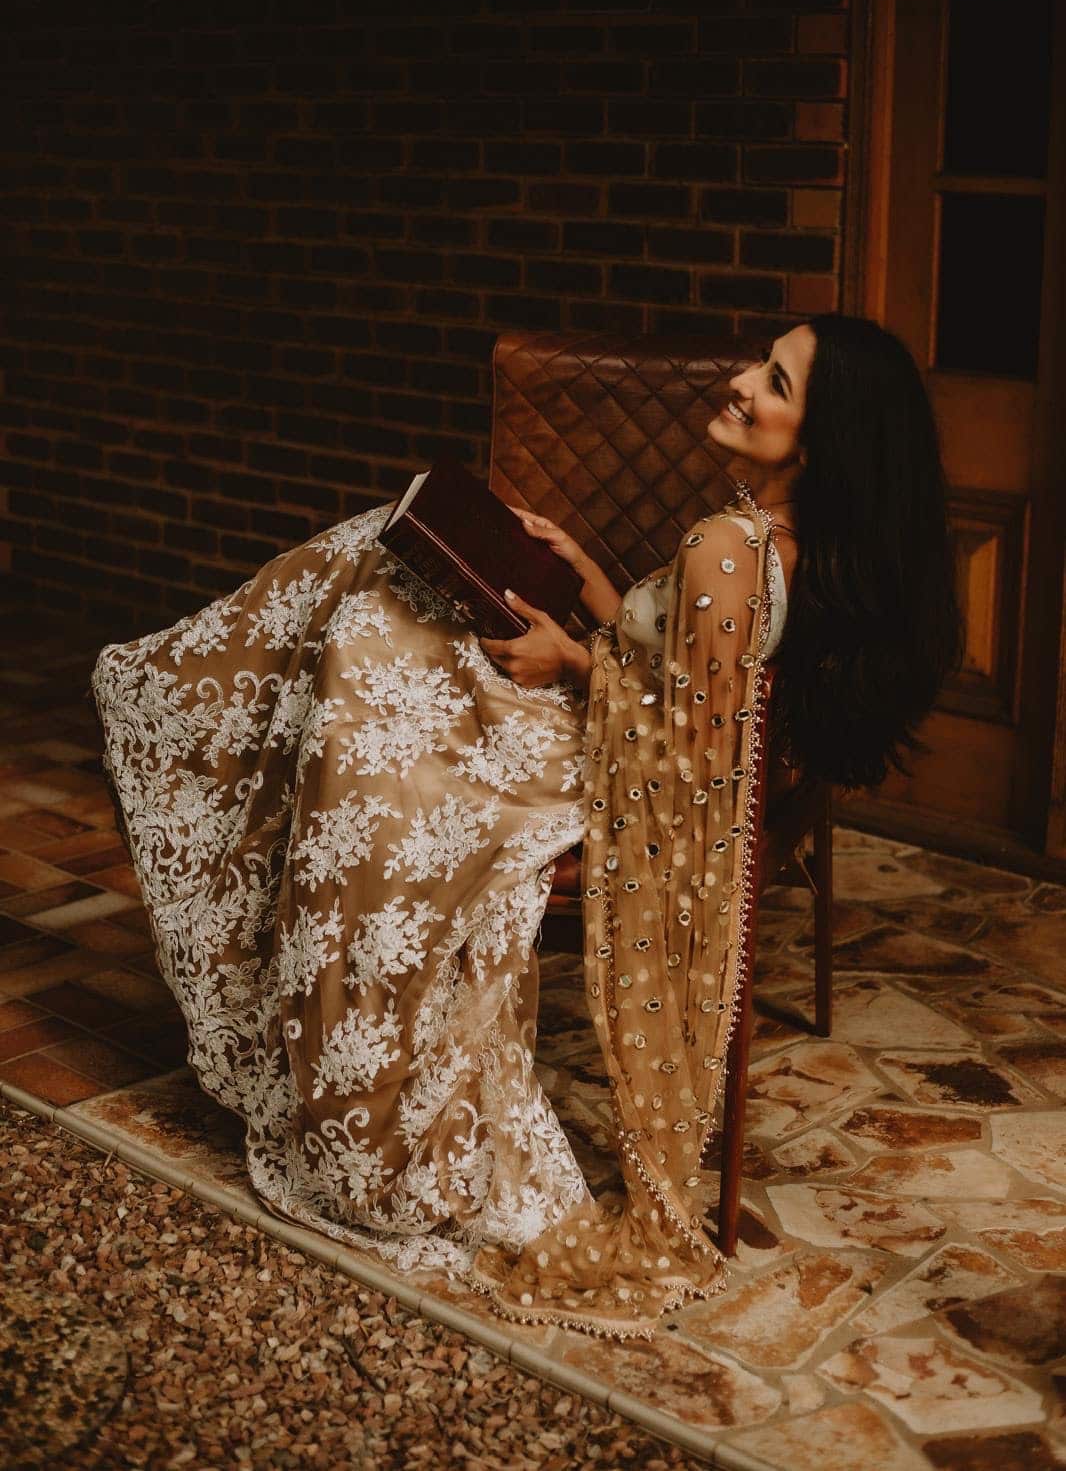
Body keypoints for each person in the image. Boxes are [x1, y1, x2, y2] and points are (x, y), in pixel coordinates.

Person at [90, 315, 962, 1341]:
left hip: (607, 776)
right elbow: (680, 676)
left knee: (370, 628)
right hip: (603, 731)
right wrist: (586, 578)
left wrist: (569, 663)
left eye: (772, 380)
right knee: (377, 598)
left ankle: (171, 697)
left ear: (824, 438)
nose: (738, 381)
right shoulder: (765, 544)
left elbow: (693, 755)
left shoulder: (728, 551)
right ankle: (182, 701)